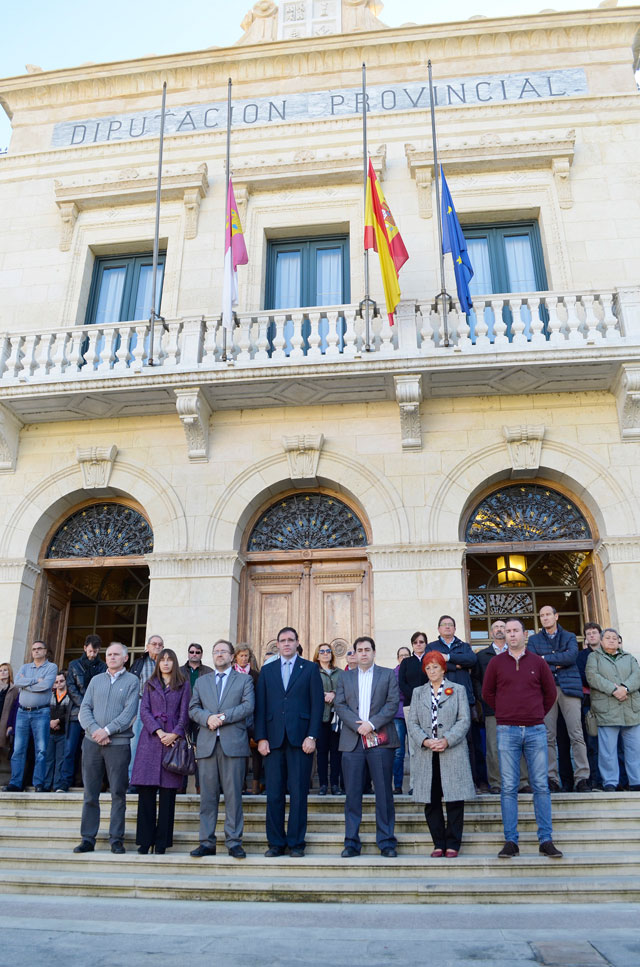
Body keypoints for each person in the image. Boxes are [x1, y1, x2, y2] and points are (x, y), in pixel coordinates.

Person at [482, 617, 563, 859]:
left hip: (536, 730)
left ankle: (545, 839)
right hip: (507, 730)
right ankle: (511, 841)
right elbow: (487, 693)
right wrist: (506, 712)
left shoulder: (538, 662)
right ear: (504, 635)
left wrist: (534, 713)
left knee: (540, 786)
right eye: (507, 631)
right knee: (508, 787)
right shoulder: (496, 663)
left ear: (525, 634)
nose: (512, 634)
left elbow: (550, 694)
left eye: (516, 630)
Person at [254, 626, 324, 858]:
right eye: (282, 640)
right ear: (277, 644)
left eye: (290, 640)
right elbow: (260, 706)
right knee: (273, 794)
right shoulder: (267, 670)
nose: (286, 644)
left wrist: (312, 736)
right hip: (272, 741)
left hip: (301, 740)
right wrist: (261, 738)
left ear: (296, 643)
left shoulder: (310, 668)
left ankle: (296, 843)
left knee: (298, 793)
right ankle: (275, 843)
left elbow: (317, 706)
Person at [334, 636, 399, 858]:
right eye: (359, 650)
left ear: (373, 652)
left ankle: (387, 841)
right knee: (352, 794)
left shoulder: (387, 674)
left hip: (380, 740)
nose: (363, 653)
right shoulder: (344, 677)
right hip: (352, 742)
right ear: (354, 653)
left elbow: (392, 704)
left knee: (383, 793)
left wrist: (371, 724)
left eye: (367, 649)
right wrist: (358, 726)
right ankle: (351, 842)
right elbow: (339, 704)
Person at [189, 640, 255, 858]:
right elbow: (193, 708)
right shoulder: (202, 681)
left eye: (223, 652)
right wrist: (207, 718)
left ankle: (234, 841)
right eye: (215, 651)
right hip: (207, 745)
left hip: (233, 745)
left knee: (234, 796)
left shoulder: (244, 680)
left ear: (232, 656)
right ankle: (206, 842)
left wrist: (223, 718)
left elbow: (248, 706)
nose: (219, 655)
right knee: (207, 797)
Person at [408, 650, 475, 857]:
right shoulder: (418, 692)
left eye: (435, 667)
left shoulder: (458, 690)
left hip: (451, 751)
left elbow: (464, 720)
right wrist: (425, 741)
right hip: (427, 754)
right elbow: (412, 722)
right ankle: (438, 842)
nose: (431, 671)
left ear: (443, 668)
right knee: (431, 799)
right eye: (428, 668)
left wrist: (447, 740)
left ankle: (453, 843)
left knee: (455, 799)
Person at [74, 641, 139, 854]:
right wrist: (95, 731)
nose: (111, 657)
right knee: (90, 793)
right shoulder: (96, 680)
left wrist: (107, 731)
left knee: (118, 793)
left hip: (118, 745)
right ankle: (87, 838)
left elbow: (129, 713)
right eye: (109, 654)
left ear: (125, 658)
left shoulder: (132, 681)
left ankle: (116, 839)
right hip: (92, 743)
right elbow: (85, 709)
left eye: (116, 654)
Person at [131, 648, 190, 854]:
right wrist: (157, 730)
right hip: (150, 741)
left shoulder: (183, 685)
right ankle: (145, 841)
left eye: (169, 660)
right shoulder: (149, 684)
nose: (165, 663)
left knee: (167, 797)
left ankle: (162, 843)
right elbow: (144, 710)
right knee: (146, 795)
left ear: (174, 663)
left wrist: (174, 734)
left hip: (172, 743)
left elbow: (185, 714)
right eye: (162, 660)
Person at [527, 605, 590, 793]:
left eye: (548, 615)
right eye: (542, 615)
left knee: (576, 734)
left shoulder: (570, 636)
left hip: (569, 689)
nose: (545, 618)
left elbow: (571, 657)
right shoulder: (533, 639)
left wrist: (546, 659)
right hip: (546, 690)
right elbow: (534, 662)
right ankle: (551, 778)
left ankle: (582, 778)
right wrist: (556, 662)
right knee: (547, 737)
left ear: (556, 616)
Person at [474, 620, 530, 795]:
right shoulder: (482, 656)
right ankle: (496, 782)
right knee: (493, 746)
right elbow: (476, 681)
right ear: (491, 633)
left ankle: (523, 782)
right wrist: (484, 699)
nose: (499, 630)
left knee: (519, 745)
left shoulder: (517, 653)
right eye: (495, 627)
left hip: (517, 708)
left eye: (502, 627)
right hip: (492, 709)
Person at [586, 628, 640, 792]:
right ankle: (610, 782)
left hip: (630, 708)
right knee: (607, 750)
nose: (611, 640)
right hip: (606, 710)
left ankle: (636, 781)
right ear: (601, 641)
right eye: (607, 638)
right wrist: (613, 689)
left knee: (634, 748)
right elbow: (592, 676)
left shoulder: (629, 658)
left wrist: (625, 688)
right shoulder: (594, 657)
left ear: (619, 641)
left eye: (614, 638)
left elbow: (637, 675)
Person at [3, 641, 57, 792]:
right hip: (22, 712)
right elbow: (17, 683)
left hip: (41, 712)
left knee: (41, 750)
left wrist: (27, 684)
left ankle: (39, 784)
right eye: (34, 649)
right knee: (18, 749)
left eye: (39, 648)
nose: (36, 651)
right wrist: (34, 680)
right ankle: (15, 783)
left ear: (45, 651)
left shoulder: (51, 667)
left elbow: (45, 686)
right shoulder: (25, 667)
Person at [59, 634, 106, 792]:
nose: (92, 654)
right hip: (75, 713)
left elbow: (103, 689)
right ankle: (64, 782)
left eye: (95, 651)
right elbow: (71, 688)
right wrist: (85, 705)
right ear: (85, 648)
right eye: (91, 650)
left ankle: (89, 783)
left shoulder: (103, 667)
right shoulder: (74, 664)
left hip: (95, 715)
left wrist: (90, 707)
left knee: (91, 751)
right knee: (70, 749)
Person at [128, 634, 164, 786]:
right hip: (141, 704)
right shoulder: (139, 663)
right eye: (154, 644)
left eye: (160, 644)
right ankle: (132, 781)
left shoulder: (167, 663)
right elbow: (130, 686)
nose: (157, 646)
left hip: (161, 708)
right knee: (135, 744)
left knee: (158, 745)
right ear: (147, 647)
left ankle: (154, 781)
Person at [178, 641, 213, 794]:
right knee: (182, 750)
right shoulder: (178, 671)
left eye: (197, 652)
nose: (194, 655)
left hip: (201, 714)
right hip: (182, 714)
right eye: (192, 652)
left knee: (202, 751)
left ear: (201, 654)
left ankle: (200, 786)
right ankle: (180, 786)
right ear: (188, 653)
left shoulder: (208, 671)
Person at [313, 643, 343, 795]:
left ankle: (335, 785)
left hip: (336, 718)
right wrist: (323, 695)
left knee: (336, 753)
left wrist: (334, 694)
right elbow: (309, 690)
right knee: (322, 752)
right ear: (317, 655)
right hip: (320, 718)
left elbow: (345, 690)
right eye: (322, 651)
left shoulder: (340, 672)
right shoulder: (313, 671)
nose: (325, 653)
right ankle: (323, 784)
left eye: (328, 651)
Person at [233, 644, 262, 795]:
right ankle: (241, 784)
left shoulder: (256, 675)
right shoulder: (230, 673)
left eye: (246, 656)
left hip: (253, 718)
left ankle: (256, 785)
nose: (244, 659)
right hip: (236, 719)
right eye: (241, 655)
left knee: (256, 752)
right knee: (241, 752)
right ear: (235, 657)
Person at [577, 622, 603, 789]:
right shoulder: (581, 656)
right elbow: (584, 677)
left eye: (594, 632)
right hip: (590, 705)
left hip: (613, 703)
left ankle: (620, 780)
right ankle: (595, 780)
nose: (592, 635)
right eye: (589, 633)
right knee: (592, 743)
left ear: (600, 635)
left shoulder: (609, 653)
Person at [43, 672, 71, 792]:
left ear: (66, 681)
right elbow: (45, 711)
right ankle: (46, 784)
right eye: (56, 682)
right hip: (50, 732)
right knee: (48, 759)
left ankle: (57, 785)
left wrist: (58, 721)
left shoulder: (70, 696)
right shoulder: (50, 695)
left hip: (63, 732)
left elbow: (70, 713)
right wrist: (51, 722)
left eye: (61, 681)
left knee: (61, 759)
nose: (59, 684)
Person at [393, 646, 411, 794]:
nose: (404, 658)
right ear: (398, 658)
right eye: (401, 655)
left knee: (415, 751)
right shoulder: (393, 673)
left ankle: (414, 785)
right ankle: (397, 786)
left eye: (406, 655)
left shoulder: (415, 670)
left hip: (413, 714)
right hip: (398, 715)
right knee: (398, 752)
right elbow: (393, 694)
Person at [398, 632, 428, 710]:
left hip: (429, 702)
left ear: (426, 644)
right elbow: (402, 682)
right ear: (412, 645)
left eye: (421, 642)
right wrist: (414, 695)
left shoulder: (431, 660)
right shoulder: (406, 662)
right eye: (415, 642)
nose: (418, 644)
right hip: (410, 702)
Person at [0, 663, 18, 777]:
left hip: (4, 721)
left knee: (2, 747)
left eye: (5, 670)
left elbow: (14, 708)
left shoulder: (14, 689)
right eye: (0, 670)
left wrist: (10, 725)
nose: (2, 672)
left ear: (9, 672)